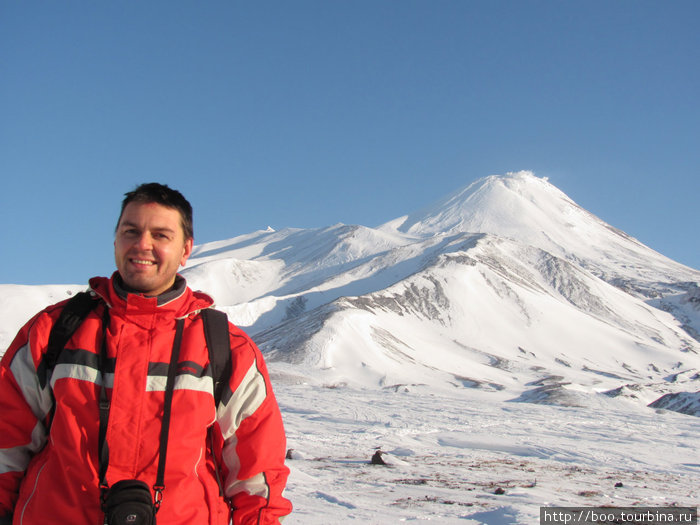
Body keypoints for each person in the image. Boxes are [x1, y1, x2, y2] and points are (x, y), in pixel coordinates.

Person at [0, 183, 292, 524]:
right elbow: (6, 443)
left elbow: (257, 478)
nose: (143, 244)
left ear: (185, 250)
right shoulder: (52, 332)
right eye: (131, 231)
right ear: (115, 241)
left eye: (161, 235)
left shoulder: (227, 349)